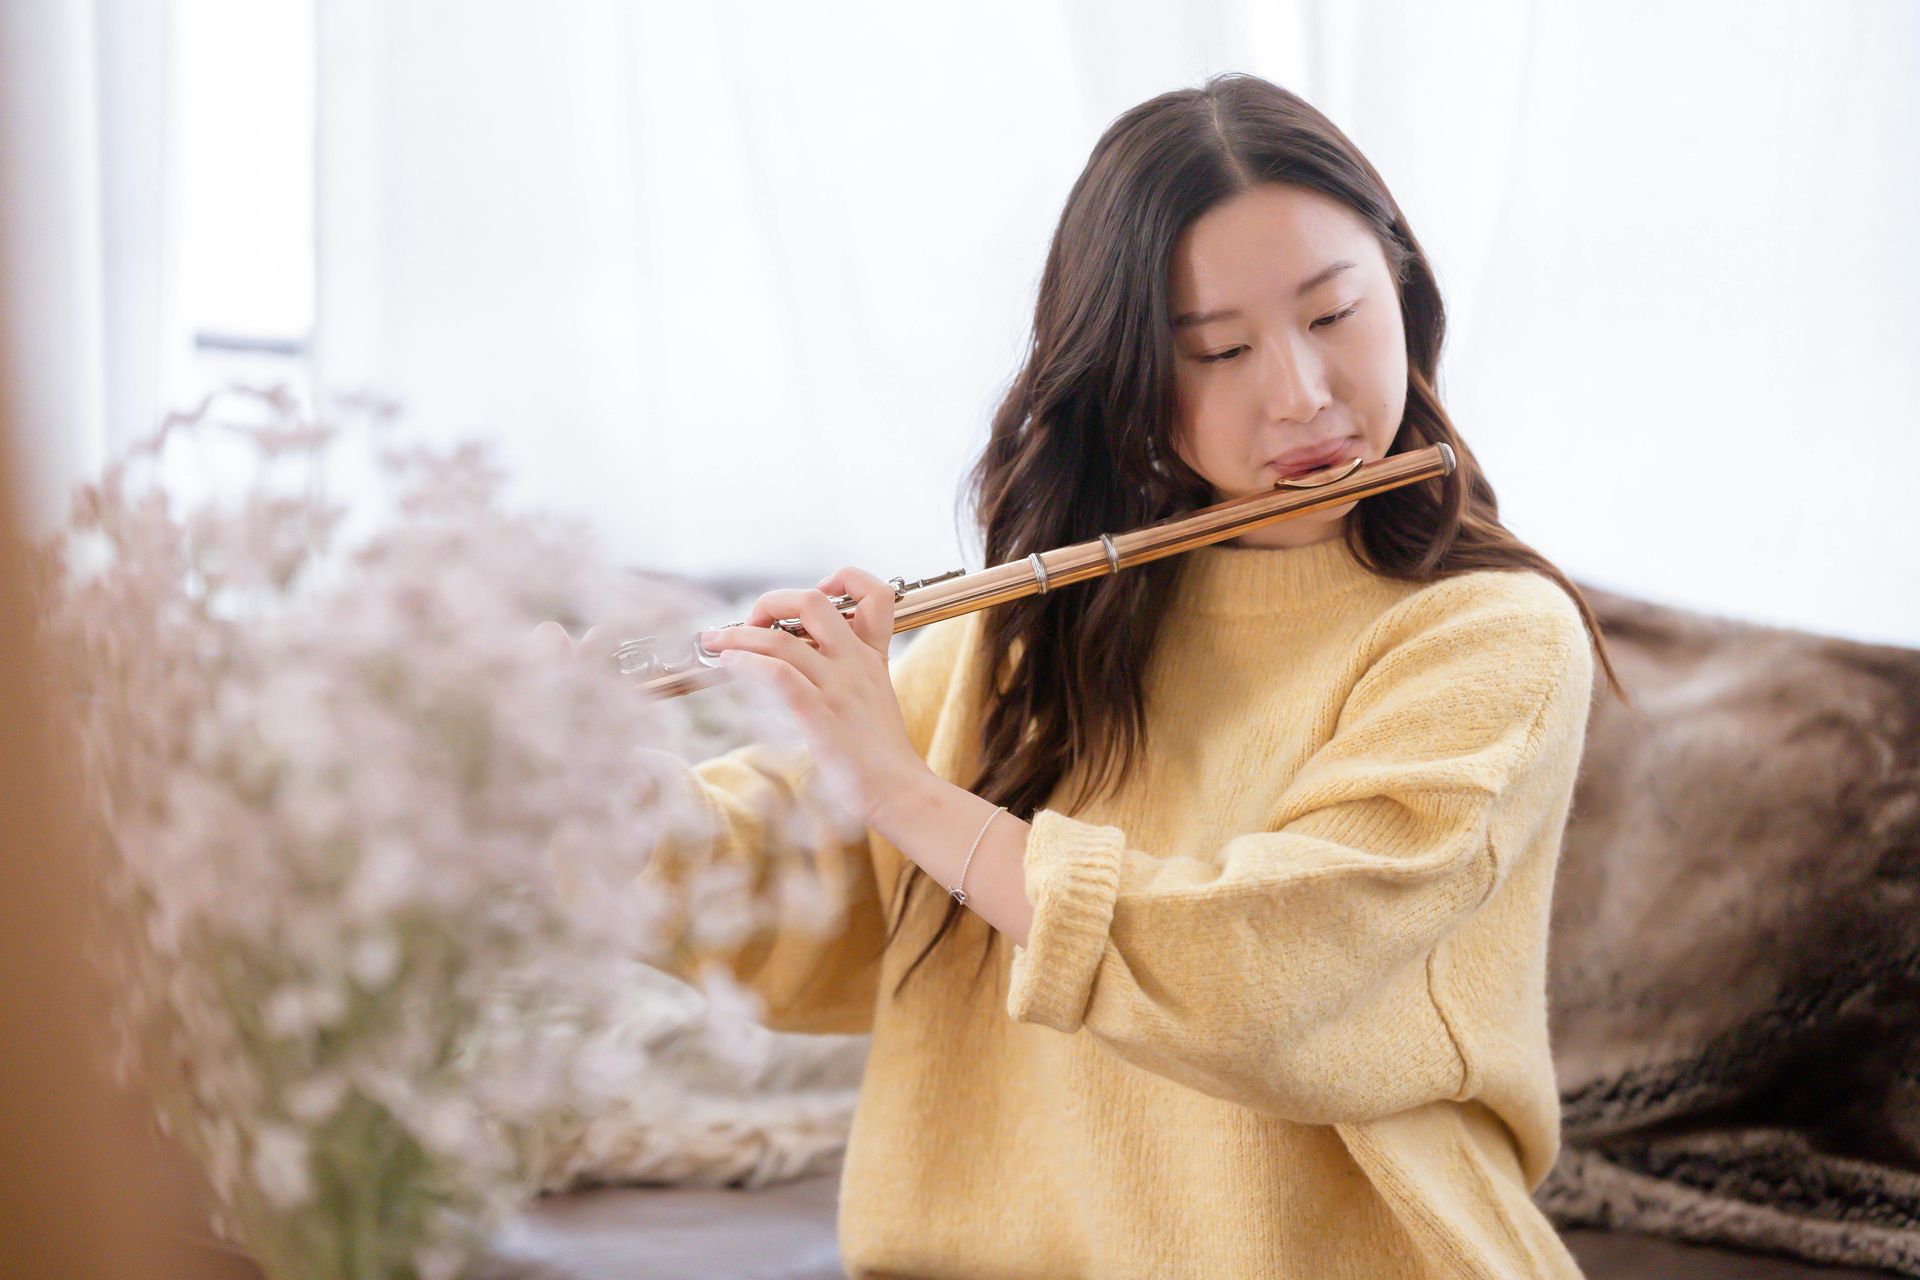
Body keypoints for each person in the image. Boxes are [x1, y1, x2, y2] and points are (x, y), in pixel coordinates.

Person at [554, 71, 1629, 1280]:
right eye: (1218, 349)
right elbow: (795, 889)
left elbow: (1259, 976)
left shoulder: (1487, 636)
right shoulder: (1035, 625)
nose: (1302, 393)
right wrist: (565, 769)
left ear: (1405, 289)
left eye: (1334, 316)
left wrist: (906, 790)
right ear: (1125, 382)